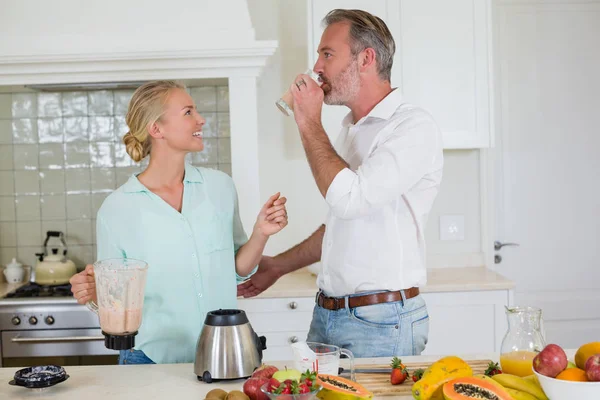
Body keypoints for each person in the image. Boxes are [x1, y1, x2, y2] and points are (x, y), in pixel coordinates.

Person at [237, 9, 443, 358]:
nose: (316, 67)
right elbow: (342, 222)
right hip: (329, 316)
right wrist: (279, 266)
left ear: (366, 58)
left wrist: (307, 121)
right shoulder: (352, 129)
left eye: (327, 54)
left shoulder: (411, 128)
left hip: (382, 321)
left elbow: (350, 200)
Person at [70, 80, 288, 364]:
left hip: (222, 354)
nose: (201, 119)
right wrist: (92, 292)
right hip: (149, 358)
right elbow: (114, 298)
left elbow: (237, 270)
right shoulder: (117, 208)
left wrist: (262, 232)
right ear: (156, 129)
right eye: (188, 112)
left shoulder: (219, 187)